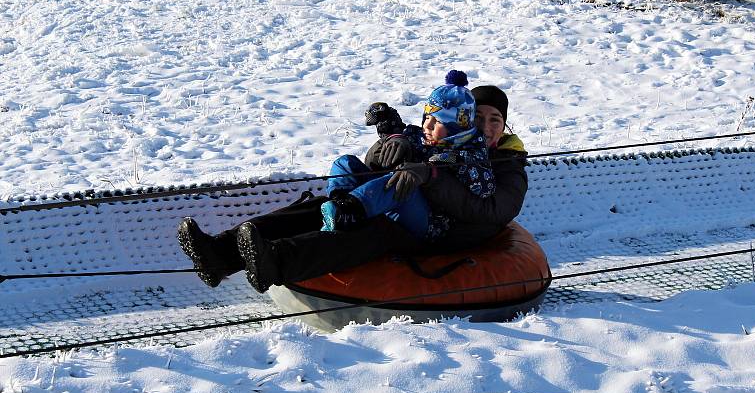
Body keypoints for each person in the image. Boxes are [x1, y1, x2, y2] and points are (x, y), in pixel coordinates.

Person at [178, 77, 527, 293]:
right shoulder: (435, 138)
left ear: (505, 126)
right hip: (397, 201)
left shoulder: (509, 167)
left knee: (368, 233)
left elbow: (488, 210)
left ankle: (278, 262)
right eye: (478, 116)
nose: (485, 126)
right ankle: (220, 254)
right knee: (316, 208)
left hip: (440, 234)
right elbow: (378, 163)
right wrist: (397, 144)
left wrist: (429, 175)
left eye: (494, 119)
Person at [318, 81, 495, 242]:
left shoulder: (472, 154)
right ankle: (341, 207)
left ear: (457, 126)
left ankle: (350, 212)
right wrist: (392, 132)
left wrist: (443, 162)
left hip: (429, 222)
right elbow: (405, 134)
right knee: (345, 162)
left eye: (437, 121)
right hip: (392, 202)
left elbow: (485, 185)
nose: (427, 125)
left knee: (404, 181)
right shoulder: (423, 136)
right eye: (427, 117)